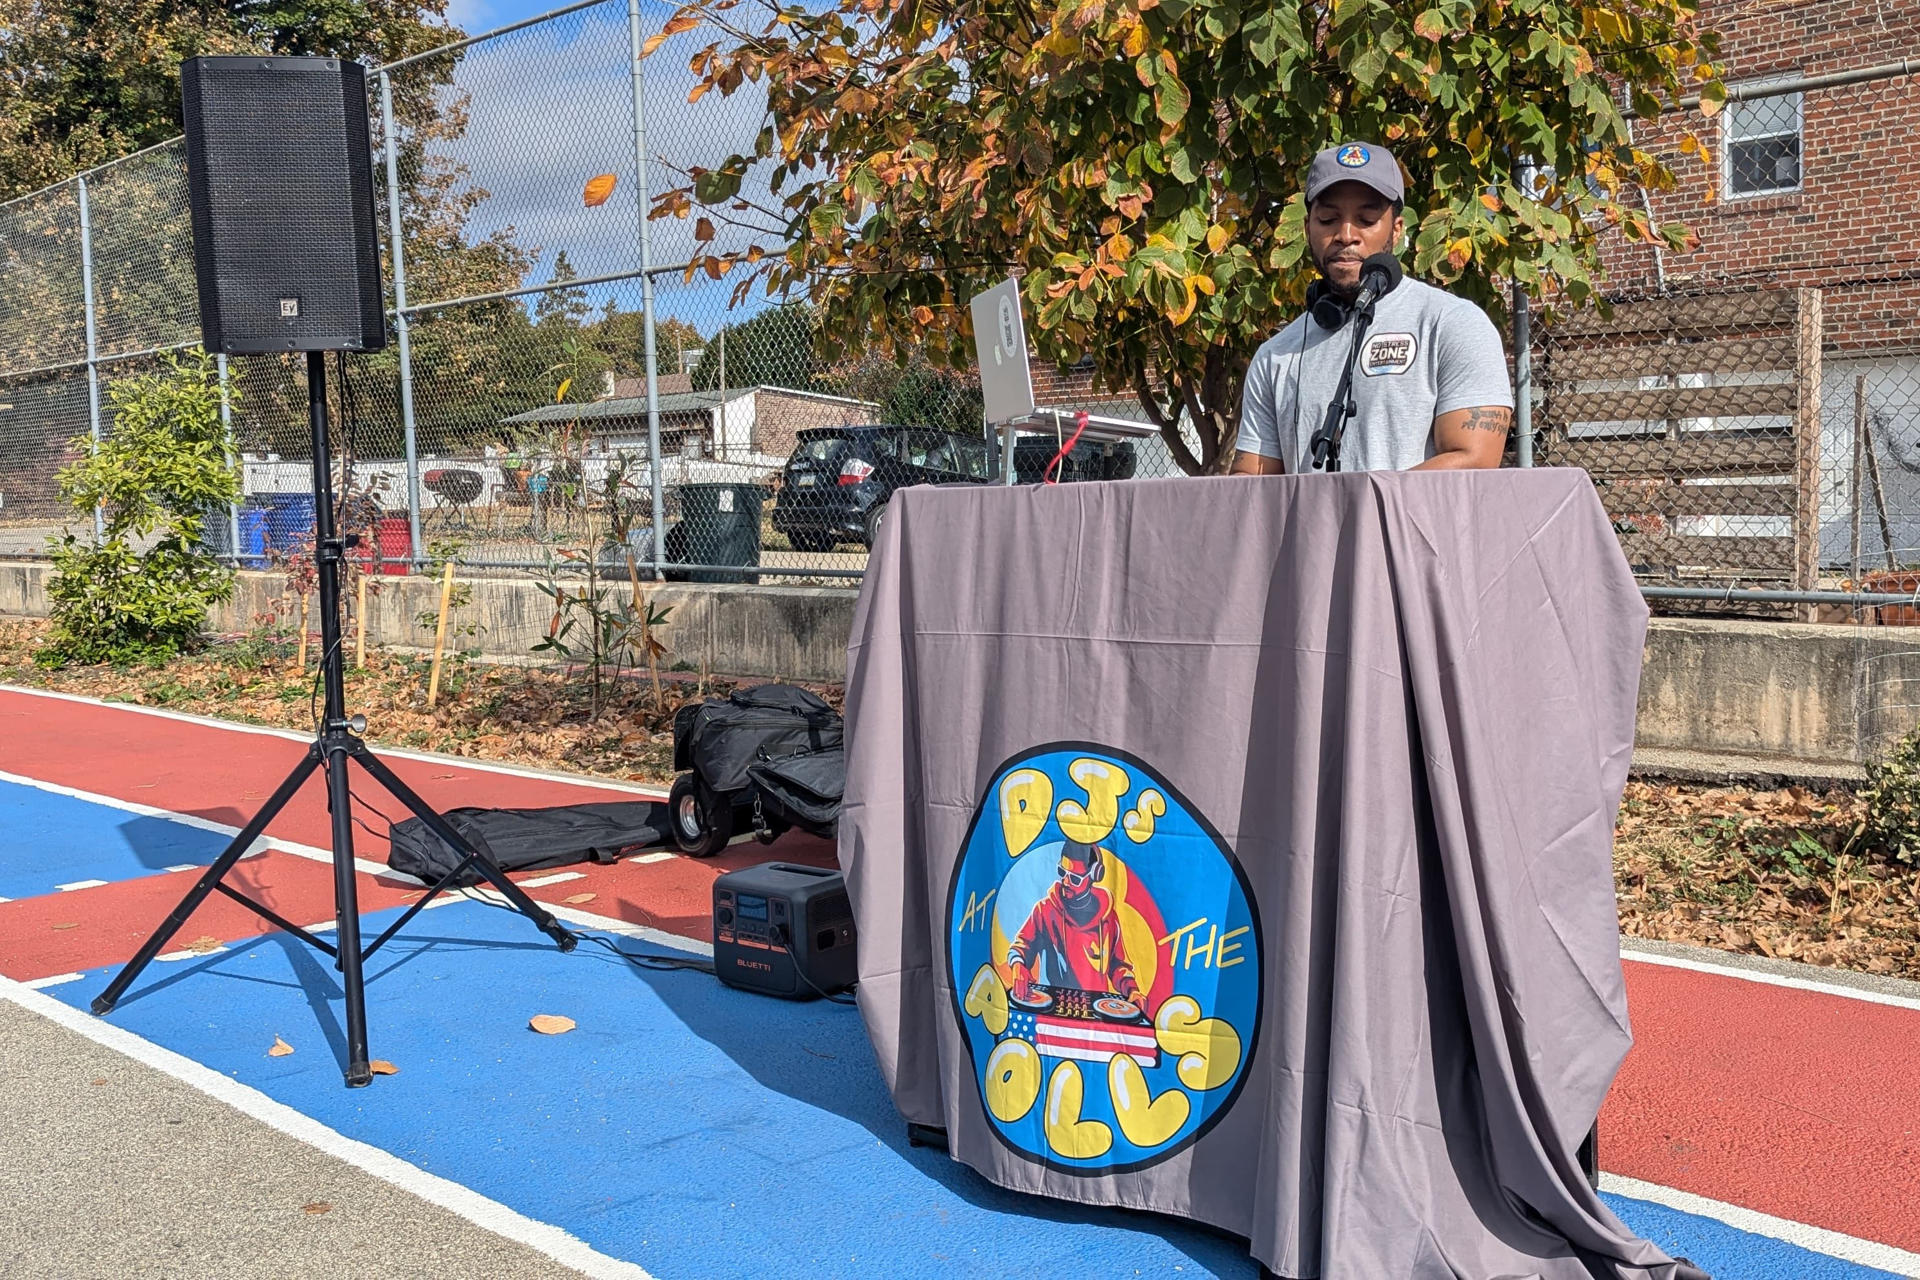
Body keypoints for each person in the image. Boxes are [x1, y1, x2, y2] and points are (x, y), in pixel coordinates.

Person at [1231, 142, 1513, 475]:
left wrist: (1362, 512)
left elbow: (1473, 460)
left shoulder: (1452, 324)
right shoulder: (1276, 355)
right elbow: (1251, 482)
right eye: (1328, 219)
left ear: (1397, 228)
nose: (1345, 235)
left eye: (1365, 220)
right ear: (1308, 228)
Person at [1007, 840, 1142, 1005]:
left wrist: (1132, 990)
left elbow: (1118, 966)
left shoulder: (1108, 918)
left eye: (1075, 879)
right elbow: (1020, 947)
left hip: (1096, 1013)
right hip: (1052, 1006)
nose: (1066, 882)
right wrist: (1018, 964)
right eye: (1062, 872)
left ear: (1095, 875)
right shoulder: (1045, 909)